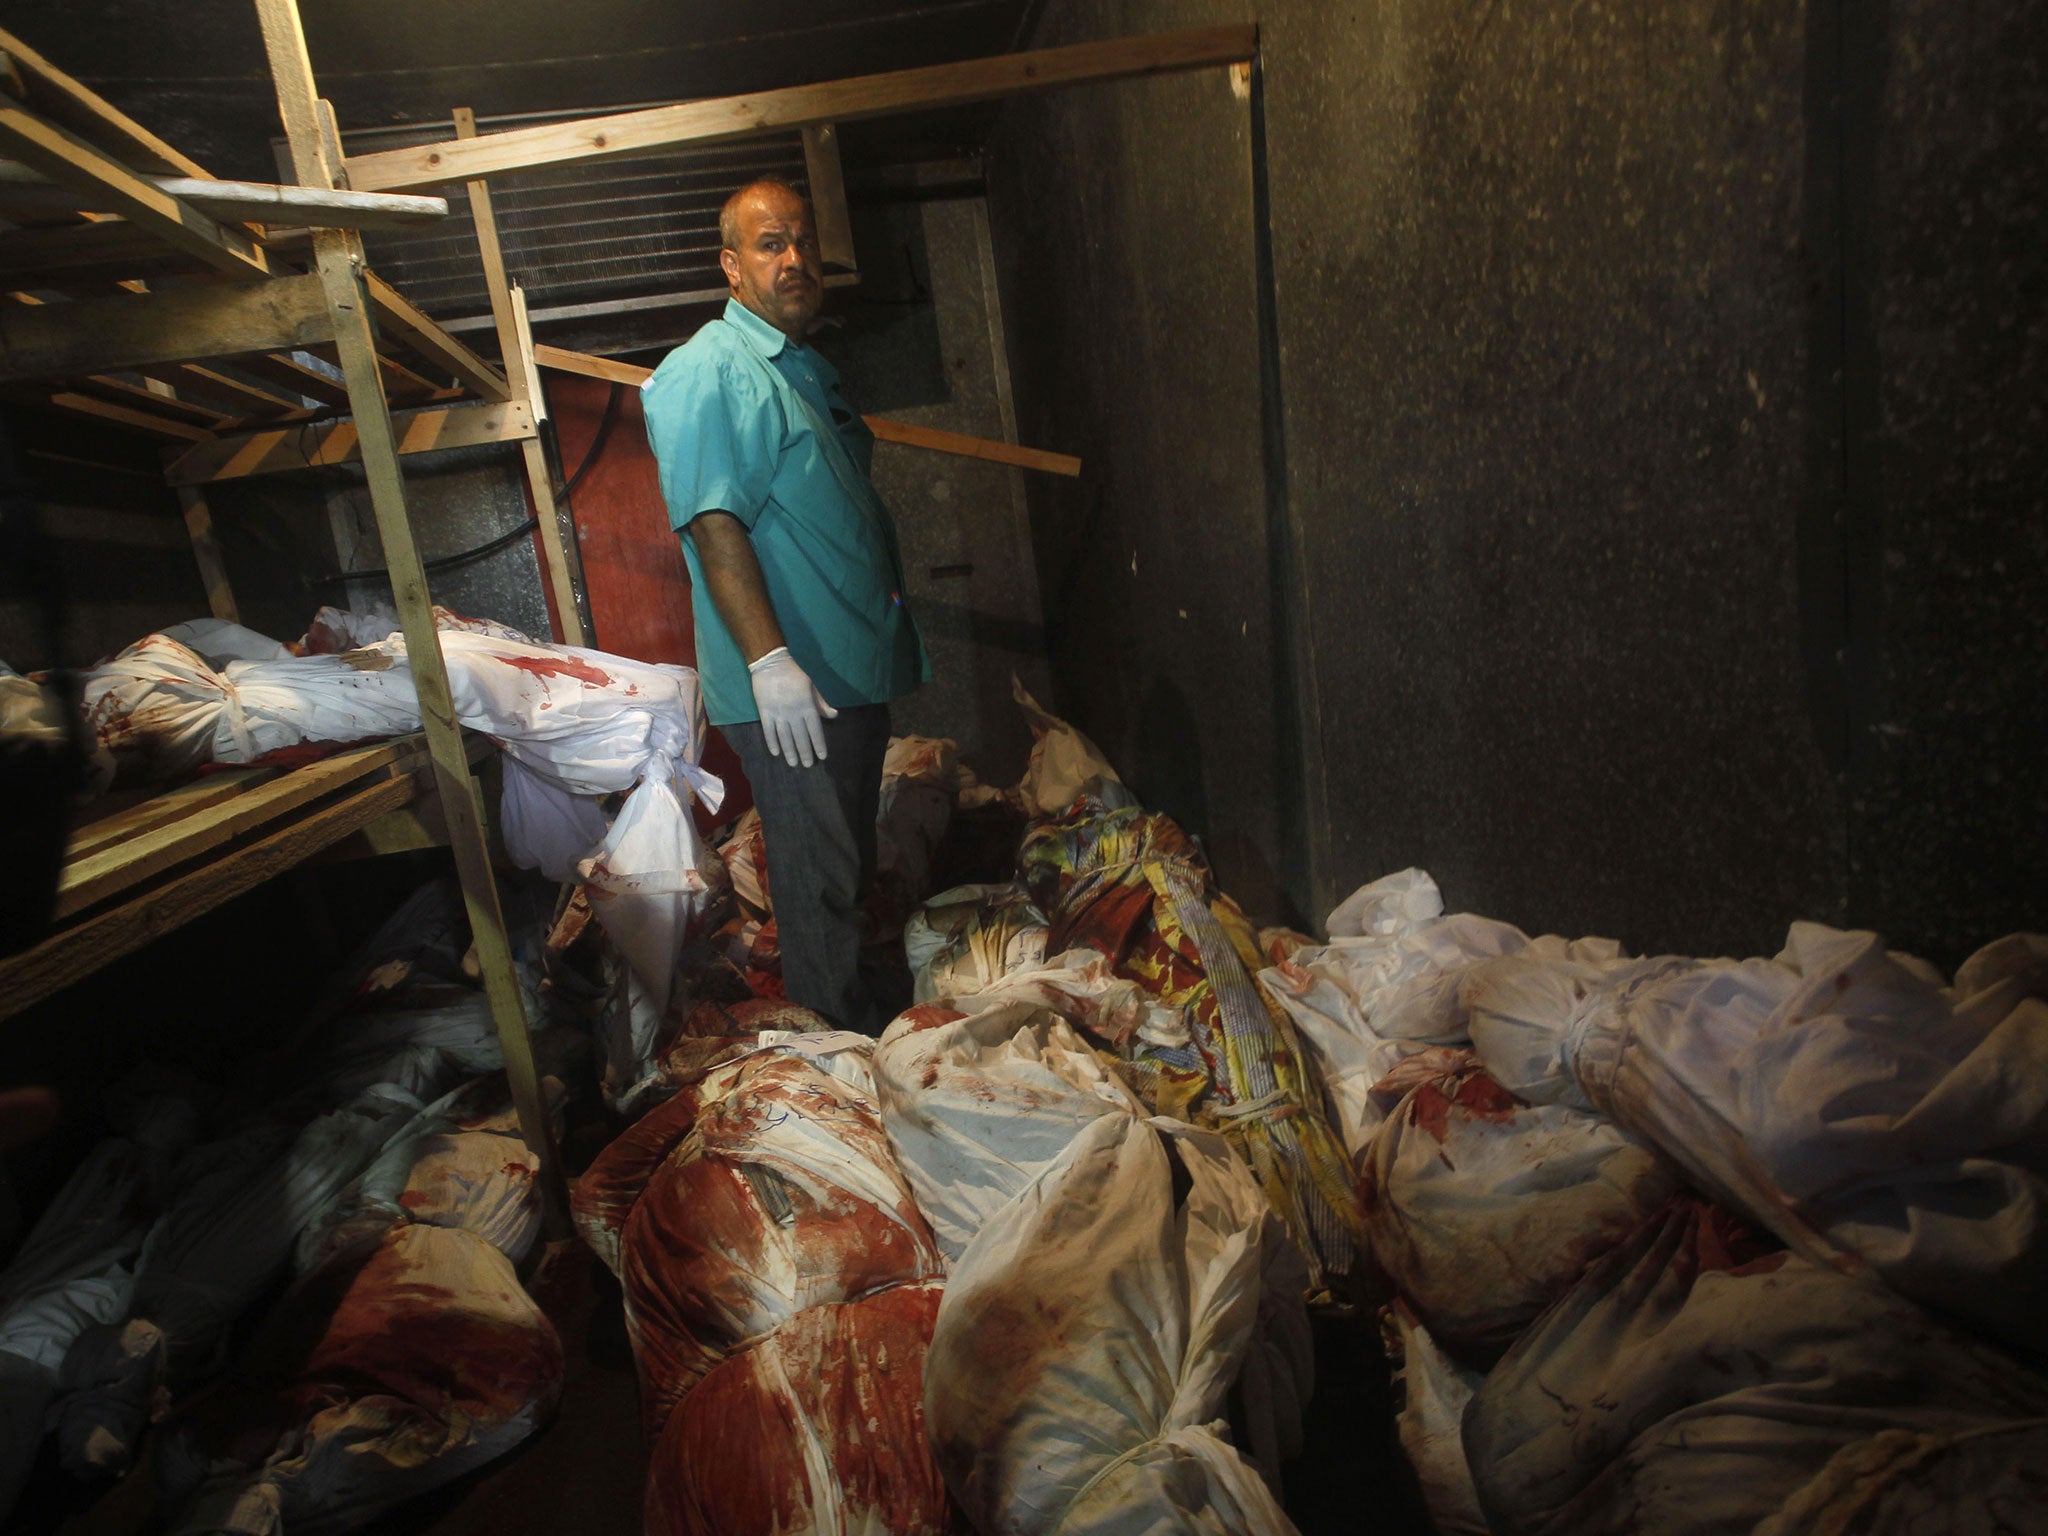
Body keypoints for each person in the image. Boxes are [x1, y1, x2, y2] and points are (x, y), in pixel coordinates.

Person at [642, 179, 927, 1034]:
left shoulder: (801, 367)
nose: (794, 258)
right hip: (794, 687)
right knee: (818, 887)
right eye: (770, 244)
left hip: (840, 674)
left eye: (802, 241)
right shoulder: (708, 370)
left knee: (843, 872)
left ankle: (854, 1019)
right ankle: (836, 1066)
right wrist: (769, 662)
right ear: (731, 266)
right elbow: (712, 520)